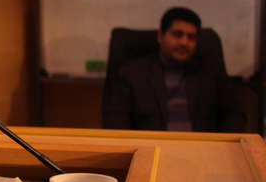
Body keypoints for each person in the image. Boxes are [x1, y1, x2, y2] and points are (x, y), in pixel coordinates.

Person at [103, 7, 246, 132]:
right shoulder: (133, 73)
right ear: (160, 36)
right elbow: (115, 120)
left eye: (191, 37)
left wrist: (220, 147)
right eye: (177, 35)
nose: (184, 42)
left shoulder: (210, 72)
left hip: (201, 149)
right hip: (151, 149)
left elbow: (235, 116)